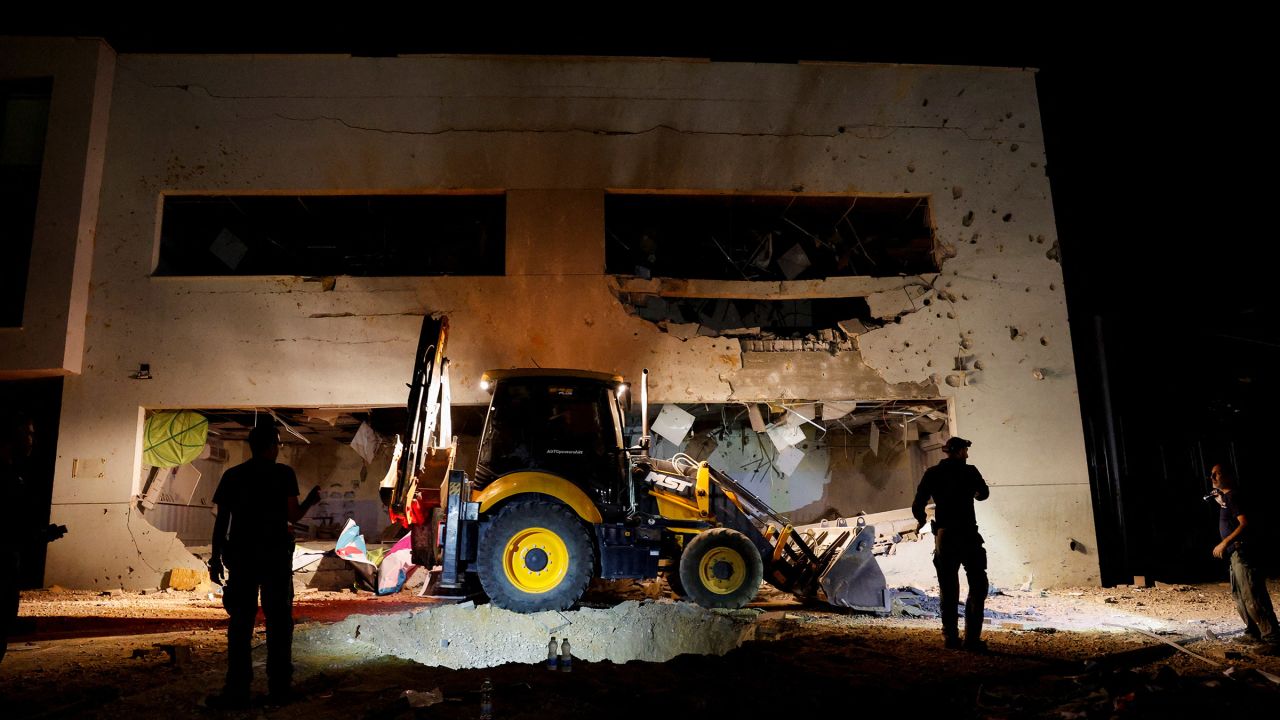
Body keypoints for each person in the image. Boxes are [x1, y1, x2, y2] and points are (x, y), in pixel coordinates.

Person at [207, 423, 319, 708]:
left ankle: (237, 689)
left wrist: (215, 557)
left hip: (242, 557)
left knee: (241, 624)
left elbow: (222, 522)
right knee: (279, 623)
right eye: (277, 444)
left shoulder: (233, 476)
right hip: (275, 558)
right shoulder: (283, 474)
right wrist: (310, 500)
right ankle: (279, 688)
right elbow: (293, 516)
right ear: (271, 446)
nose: (278, 449)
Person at [912, 436, 990, 651]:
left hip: (945, 535)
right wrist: (971, 491)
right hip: (967, 533)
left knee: (948, 587)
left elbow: (918, 503)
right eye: (965, 449)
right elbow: (983, 495)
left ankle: (951, 637)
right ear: (959, 451)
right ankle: (972, 639)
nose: (967, 454)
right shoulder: (970, 471)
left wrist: (921, 521)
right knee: (978, 584)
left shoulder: (933, 474)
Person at [0, 410, 66, 664]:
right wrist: (36, 535)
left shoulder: (13, 476)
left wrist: (40, 534)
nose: (31, 440)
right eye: (27, 433)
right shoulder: (7, 479)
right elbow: (9, 529)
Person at [1209, 463, 1279, 652]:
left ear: (1229, 476)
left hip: (1242, 551)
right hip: (1234, 554)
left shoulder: (1235, 497)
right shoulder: (1228, 498)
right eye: (1212, 474)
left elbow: (1244, 523)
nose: (1213, 477)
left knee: (1252, 594)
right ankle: (1253, 633)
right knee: (1239, 595)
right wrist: (1221, 501)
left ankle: (1273, 639)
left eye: (1217, 474)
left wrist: (1224, 543)